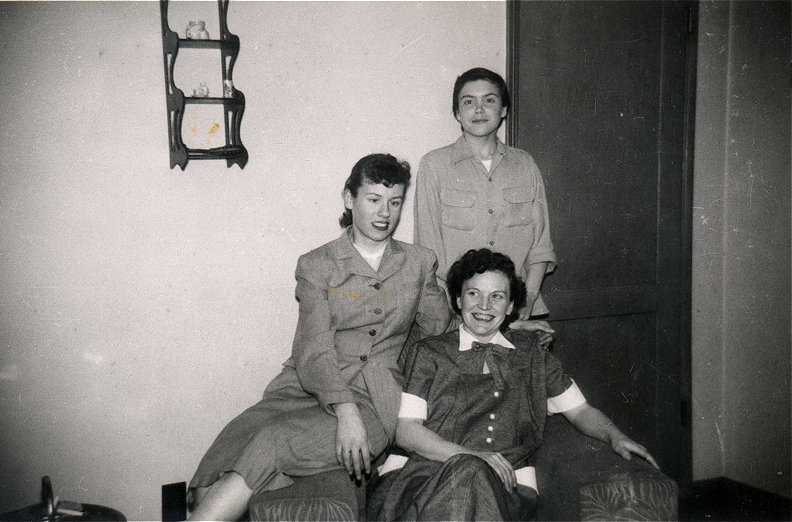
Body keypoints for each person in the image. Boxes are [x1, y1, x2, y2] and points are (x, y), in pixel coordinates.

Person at [186, 153, 455, 521]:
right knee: (223, 457)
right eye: (373, 199)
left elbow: (440, 331)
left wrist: (481, 315)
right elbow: (313, 348)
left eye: (395, 202)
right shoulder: (317, 264)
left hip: (374, 398)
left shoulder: (419, 262)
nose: (385, 213)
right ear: (349, 198)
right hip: (303, 388)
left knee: (271, 442)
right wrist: (344, 410)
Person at [366, 249, 658, 521]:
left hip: (502, 487)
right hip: (425, 477)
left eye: (497, 297)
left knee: (471, 480)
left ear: (510, 307)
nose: (484, 306)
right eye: (473, 293)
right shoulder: (429, 352)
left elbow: (580, 411)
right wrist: (472, 457)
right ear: (458, 300)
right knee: (467, 474)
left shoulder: (532, 355)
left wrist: (615, 436)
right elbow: (406, 431)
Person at [415, 67, 556, 328]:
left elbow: (541, 244)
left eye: (489, 100)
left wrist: (527, 299)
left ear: (503, 110)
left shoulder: (525, 164)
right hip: (456, 315)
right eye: (469, 102)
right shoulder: (434, 165)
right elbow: (428, 251)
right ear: (457, 113)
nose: (479, 110)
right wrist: (454, 313)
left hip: (516, 311)